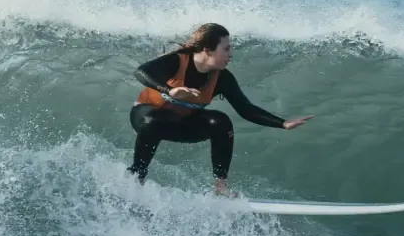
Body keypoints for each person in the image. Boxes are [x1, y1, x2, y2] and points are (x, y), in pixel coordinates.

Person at [126, 23, 313, 196]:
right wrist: (170, 91)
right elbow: (141, 72)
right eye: (226, 49)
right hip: (146, 117)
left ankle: (220, 186)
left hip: (181, 123)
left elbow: (245, 109)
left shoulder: (222, 78)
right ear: (207, 50)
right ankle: (137, 175)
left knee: (220, 122)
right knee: (155, 120)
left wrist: (283, 123)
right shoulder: (177, 61)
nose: (230, 54)